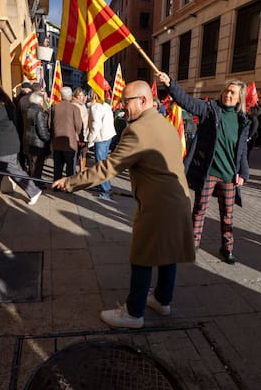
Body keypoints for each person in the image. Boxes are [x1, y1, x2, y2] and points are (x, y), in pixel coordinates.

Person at [52, 81, 194, 328]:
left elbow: (108, 168)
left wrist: (71, 181)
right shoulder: (164, 123)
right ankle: (162, 300)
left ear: (142, 101)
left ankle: (133, 313)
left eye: (125, 101)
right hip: (176, 201)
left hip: (158, 206)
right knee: (166, 253)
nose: (120, 106)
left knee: (142, 256)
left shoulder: (137, 130)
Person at [156, 72, 250, 264]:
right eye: (226, 91)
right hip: (209, 172)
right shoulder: (210, 109)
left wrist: (244, 172)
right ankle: (193, 244)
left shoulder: (242, 121)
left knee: (227, 215)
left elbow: (242, 149)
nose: (228, 95)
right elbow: (187, 102)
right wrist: (170, 84)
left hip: (229, 175)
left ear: (240, 97)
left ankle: (227, 248)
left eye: (232, 92)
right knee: (199, 209)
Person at [0, 79, 42, 209]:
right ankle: (33, 191)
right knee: (7, 171)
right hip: (7, 145)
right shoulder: (5, 103)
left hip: (4, 147)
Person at [51, 87, 83, 182]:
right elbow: (78, 126)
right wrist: (77, 134)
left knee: (57, 166)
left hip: (57, 141)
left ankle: (56, 185)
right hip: (70, 142)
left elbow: (49, 124)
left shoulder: (54, 107)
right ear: (70, 96)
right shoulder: (74, 108)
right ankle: (69, 186)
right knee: (70, 167)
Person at [87, 97, 116, 199]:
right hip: (108, 136)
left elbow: (95, 125)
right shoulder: (106, 106)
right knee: (103, 164)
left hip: (101, 138)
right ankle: (103, 186)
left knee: (100, 165)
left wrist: (90, 139)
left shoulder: (96, 107)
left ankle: (106, 190)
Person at [25, 92, 51, 188]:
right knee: (37, 166)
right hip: (38, 143)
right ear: (40, 101)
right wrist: (48, 138)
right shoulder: (39, 112)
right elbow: (42, 130)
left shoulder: (28, 109)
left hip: (29, 141)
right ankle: (36, 185)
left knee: (33, 165)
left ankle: (35, 182)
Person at [71, 88, 89, 171]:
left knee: (83, 153)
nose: (81, 97)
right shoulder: (75, 105)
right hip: (79, 132)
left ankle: (82, 169)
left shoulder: (82, 104)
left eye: (82, 95)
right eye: (79, 95)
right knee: (78, 153)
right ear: (75, 96)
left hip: (84, 131)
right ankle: (76, 170)